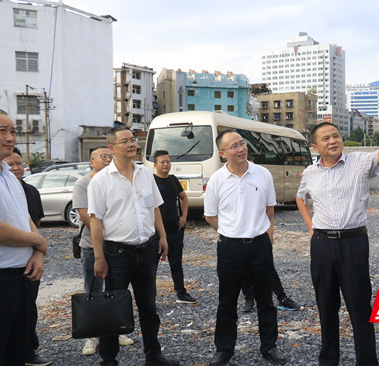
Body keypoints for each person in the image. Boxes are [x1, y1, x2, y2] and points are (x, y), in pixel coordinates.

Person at [296, 122, 379, 366]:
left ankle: (367, 361)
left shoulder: (358, 162)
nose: (333, 141)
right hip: (321, 245)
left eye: (336, 136)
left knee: (360, 307)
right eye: (326, 138)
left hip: (353, 243)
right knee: (326, 307)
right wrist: (310, 227)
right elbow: (301, 197)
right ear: (315, 146)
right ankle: (329, 360)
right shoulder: (310, 172)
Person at [87, 126, 178, 366]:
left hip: (146, 250)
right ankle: (108, 358)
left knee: (149, 306)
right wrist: (99, 257)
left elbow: (154, 207)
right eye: (125, 141)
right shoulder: (101, 181)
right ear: (112, 148)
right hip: (117, 254)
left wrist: (163, 237)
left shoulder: (145, 174)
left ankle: (153, 355)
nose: (131, 144)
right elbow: (95, 221)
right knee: (113, 307)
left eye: (133, 140)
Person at [204, 130, 288, 366]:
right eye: (234, 146)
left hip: (260, 244)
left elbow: (269, 208)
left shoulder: (262, 174)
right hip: (230, 247)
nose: (241, 149)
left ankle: (269, 347)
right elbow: (210, 216)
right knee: (227, 301)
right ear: (222, 154)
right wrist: (231, 231)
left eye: (242, 144)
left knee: (265, 300)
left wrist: (268, 233)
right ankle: (224, 349)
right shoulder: (217, 180)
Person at [0, 108, 47, 366]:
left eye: (13, 131)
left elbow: (26, 220)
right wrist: (37, 242)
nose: (10, 137)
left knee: (17, 352)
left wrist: (38, 253)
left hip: (21, 277)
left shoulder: (9, 177)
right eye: (2, 130)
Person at [72, 147, 134, 356]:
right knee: (93, 290)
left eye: (110, 156)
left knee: (116, 291)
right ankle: (91, 336)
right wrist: (107, 237)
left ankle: (117, 330)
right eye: (103, 157)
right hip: (92, 246)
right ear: (91, 162)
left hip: (117, 248)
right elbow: (84, 216)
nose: (108, 159)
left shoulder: (117, 179)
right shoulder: (84, 183)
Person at [3, 147, 51, 366]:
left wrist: (37, 251)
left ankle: (29, 350)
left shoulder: (31, 191)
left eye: (19, 164)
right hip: (5, 263)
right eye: (10, 164)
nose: (15, 168)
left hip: (30, 259)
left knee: (29, 308)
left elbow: (36, 225)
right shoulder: (0, 186)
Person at [152, 150, 197, 304]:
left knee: (176, 264)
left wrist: (184, 217)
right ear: (155, 165)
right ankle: (150, 299)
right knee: (151, 268)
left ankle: (181, 293)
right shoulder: (151, 181)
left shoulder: (173, 179)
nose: (166, 164)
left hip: (174, 230)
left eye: (168, 162)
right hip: (156, 233)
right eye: (162, 162)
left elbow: (184, 197)